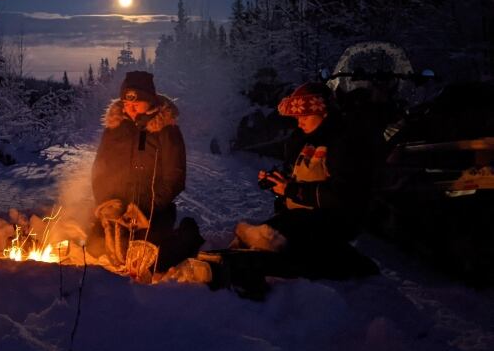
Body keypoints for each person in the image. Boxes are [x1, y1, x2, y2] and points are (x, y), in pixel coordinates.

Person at [231, 82, 379, 279]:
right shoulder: (303, 140)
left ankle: (346, 262)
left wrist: (292, 190)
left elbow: (345, 196)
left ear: (323, 112)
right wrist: (278, 182)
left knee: (274, 239)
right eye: (297, 117)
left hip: (331, 221)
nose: (299, 122)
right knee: (260, 235)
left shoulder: (343, 143)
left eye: (305, 117)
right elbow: (297, 177)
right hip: (300, 216)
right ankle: (229, 260)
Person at [90, 71, 203, 274]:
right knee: (94, 249)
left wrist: (146, 208)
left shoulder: (166, 131)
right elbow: (99, 170)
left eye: (136, 103)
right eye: (126, 103)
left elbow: (175, 178)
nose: (130, 108)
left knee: (146, 262)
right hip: (118, 213)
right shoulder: (114, 128)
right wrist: (107, 203)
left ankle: (187, 235)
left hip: (151, 213)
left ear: (150, 101)